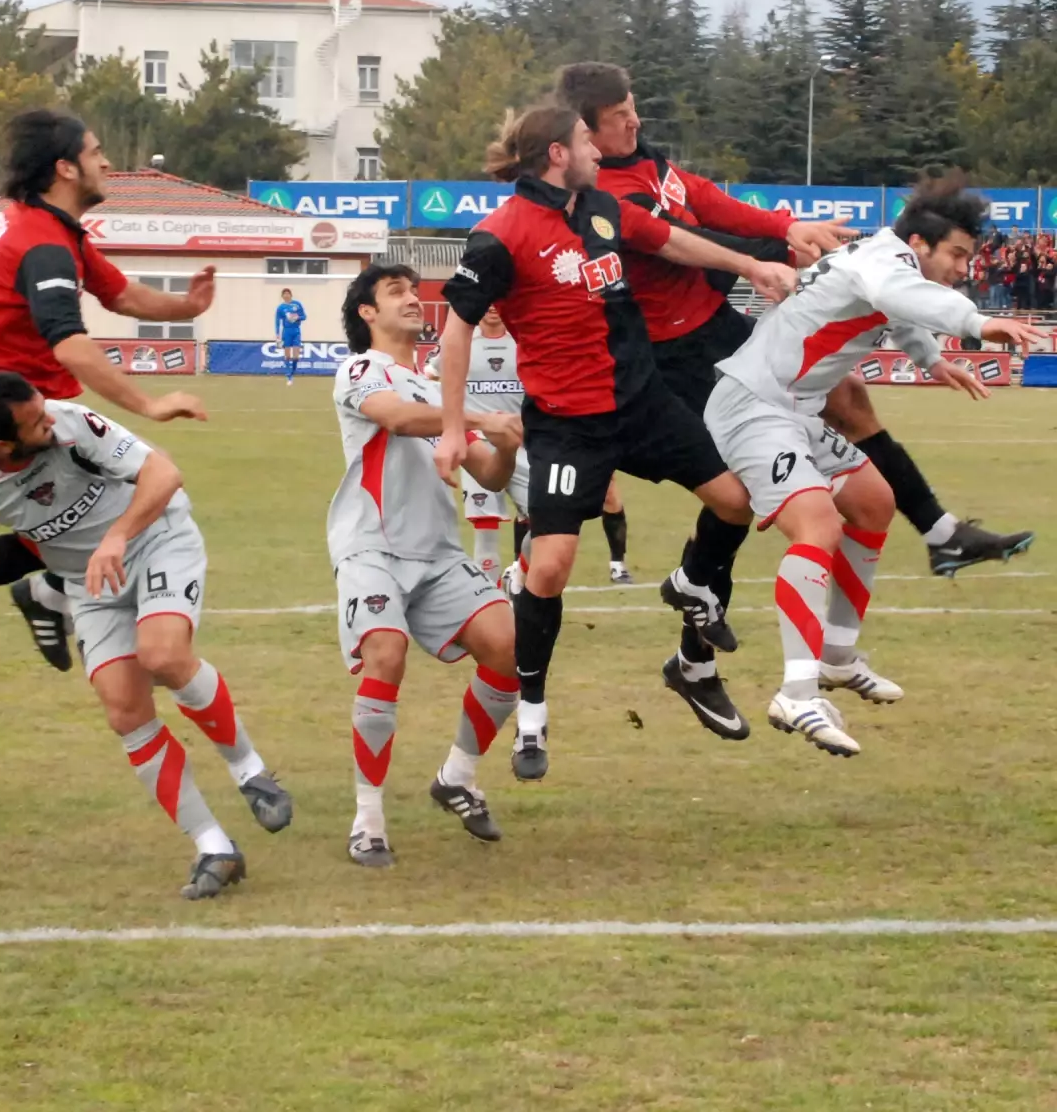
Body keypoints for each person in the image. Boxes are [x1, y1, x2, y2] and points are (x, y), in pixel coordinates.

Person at [558, 61, 1035, 614]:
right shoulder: (607, 195)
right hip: (672, 351)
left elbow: (707, 199)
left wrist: (787, 228)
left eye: (633, 106)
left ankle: (938, 530)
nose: (635, 121)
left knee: (847, 394)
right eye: (620, 117)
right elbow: (682, 239)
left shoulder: (643, 158)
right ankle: (696, 591)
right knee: (737, 482)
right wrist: (765, 257)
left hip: (714, 324)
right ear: (586, 132)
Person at [436, 102, 797, 776]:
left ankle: (691, 618)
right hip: (569, 425)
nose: (599, 152)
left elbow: (669, 240)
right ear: (555, 154)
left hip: (643, 405)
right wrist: (454, 426)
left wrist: (750, 266)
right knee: (548, 567)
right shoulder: (500, 235)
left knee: (737, 501)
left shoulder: (601, 209)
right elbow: (457, 326)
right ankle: (533, 717)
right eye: (585, 142)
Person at [0, 110, 214, 668]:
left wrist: (186, 307)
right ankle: (38, 594)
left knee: (71, 520)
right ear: (65, 168)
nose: (107, 163)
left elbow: (119, 293)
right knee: (112, 507)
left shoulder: (47, 228)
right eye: (96, 152)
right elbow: (69, 343)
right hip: (7, 415)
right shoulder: (45, 245)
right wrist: (150, 403)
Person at [704, 178, 1042, 756]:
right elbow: (901, 294)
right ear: (919, 243)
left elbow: (898, 307)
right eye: (957, 254)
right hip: (754, 406)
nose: (964, 267)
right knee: (818, 527)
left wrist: (933, 359)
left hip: (793, 411)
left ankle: (837, 657)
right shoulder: (884, 262)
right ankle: (797, 691)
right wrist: (977, 323)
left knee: (874, 502)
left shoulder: (882, 258)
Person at [0, 371, 292, 898]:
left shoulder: (72, 424)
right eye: (35, 421)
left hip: (157, 539)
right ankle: (213, 846)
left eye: (44, 408)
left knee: (163, 656)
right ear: (1, 446)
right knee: (124, 711)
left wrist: (117, 537)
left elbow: (164, 474)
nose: (50, 419)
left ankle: (250, 771)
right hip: (89, 580)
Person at [329, 265, 524, 868]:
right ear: (367, 313)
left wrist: (510, 440)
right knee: (386, 653)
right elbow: (397, 417)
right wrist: (480, 419)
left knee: (512, 648)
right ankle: (367, 820)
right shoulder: (363, 370)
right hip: (372, 548)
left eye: (415, 292)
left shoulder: (440, 386)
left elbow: (486, 472)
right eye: (396, 293)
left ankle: (457, 775)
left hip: (438, 553)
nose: (414, 299)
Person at [425, 305, 529, 588]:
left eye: (499, 299)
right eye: (488, 300)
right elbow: (428, 376)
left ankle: (518, 576)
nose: (494, 306)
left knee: (547, 522)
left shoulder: (523, 338)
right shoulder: (460, 340)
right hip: (478, 447)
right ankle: (489, 599)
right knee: (486, 529)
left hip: (524, 445)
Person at [275, 288, 307, 384]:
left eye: (287, 293)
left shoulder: (297, 304)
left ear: (290, 295)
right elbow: (277, 322)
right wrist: (277, 334)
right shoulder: (281, 308)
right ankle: (289, 377)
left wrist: (297, 317)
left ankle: (292, 373)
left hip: (296, 331)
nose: (286, 295)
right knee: (287, 355)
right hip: (286, 332)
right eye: (284, 294)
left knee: (296, 356)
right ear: (282, 296)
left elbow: (304, 316)